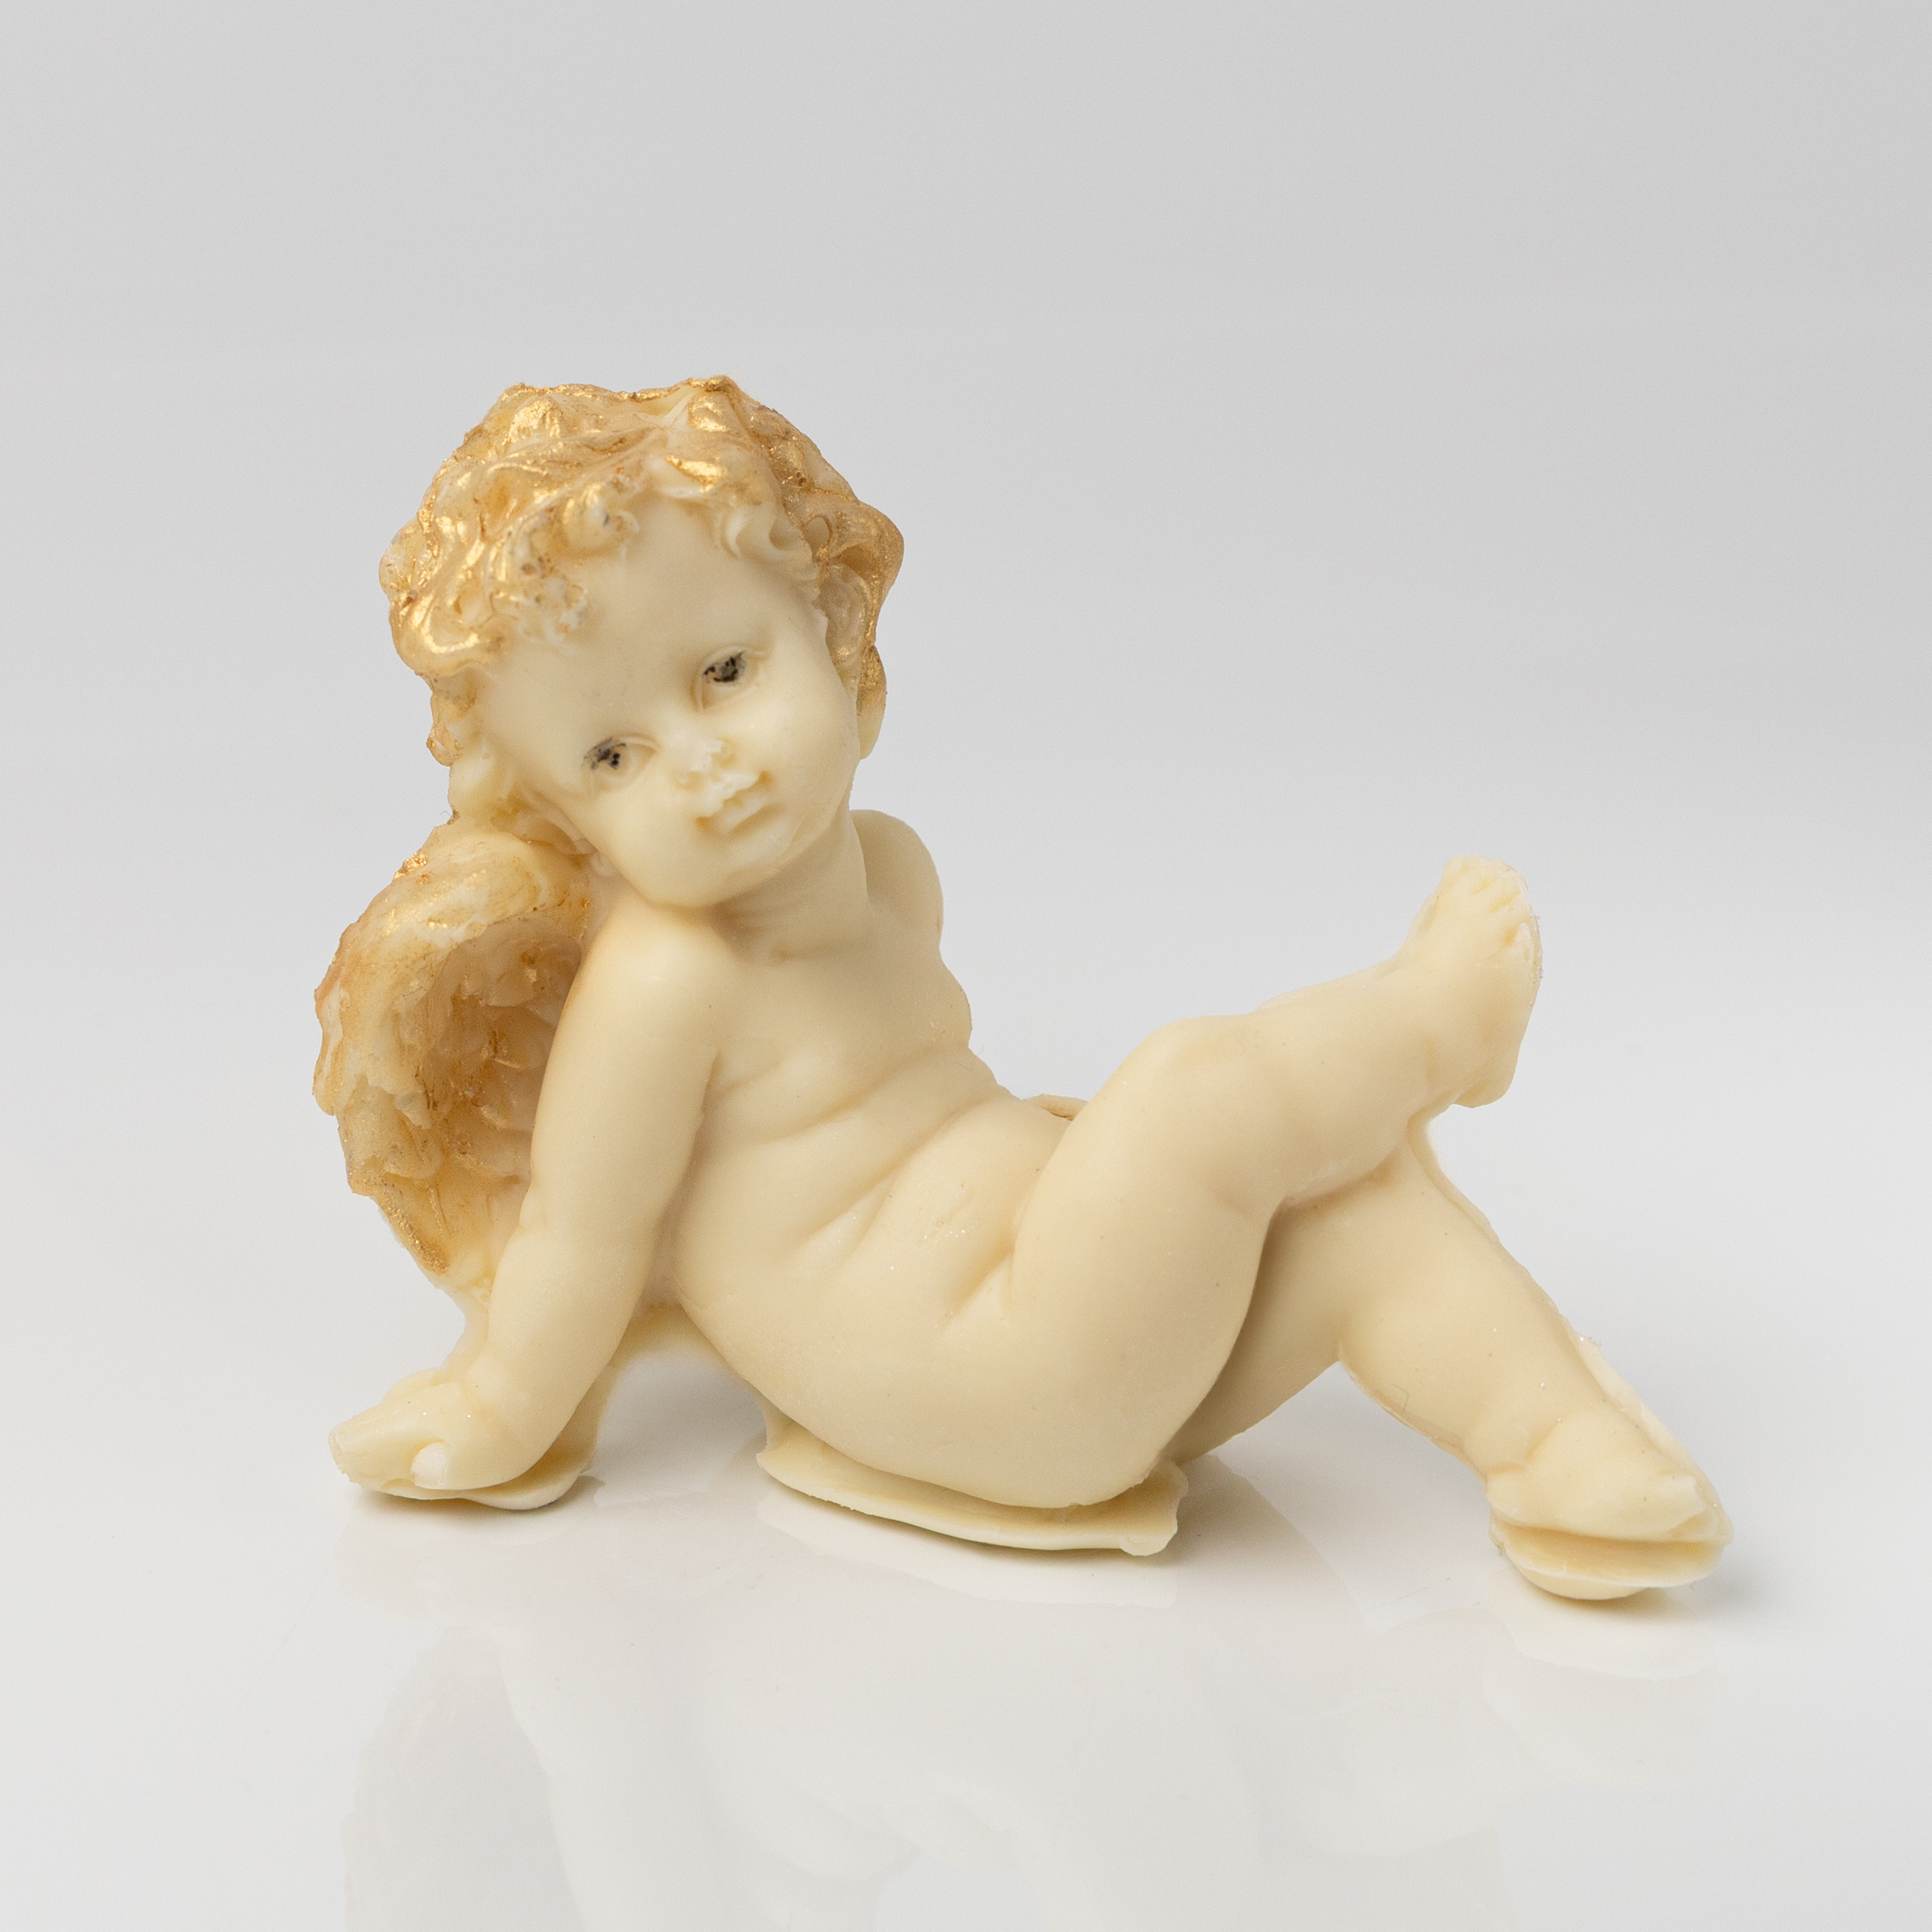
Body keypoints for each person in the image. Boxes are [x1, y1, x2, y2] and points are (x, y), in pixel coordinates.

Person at [318, 378, 1728, 1600]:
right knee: (1192, 1088)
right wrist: (502, 1405)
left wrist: (1081, 1170)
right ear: (566, 822)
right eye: (611, 759)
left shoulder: (891, 874)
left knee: (1362, 1201)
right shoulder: (666, 985)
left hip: (1081, 1323)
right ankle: (1442, 1025)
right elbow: (581, 1232)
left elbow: (925, 1126)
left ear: (842, 644)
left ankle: (1567, 1457)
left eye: (726, 670)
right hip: (984, 1380)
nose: (701, 766)